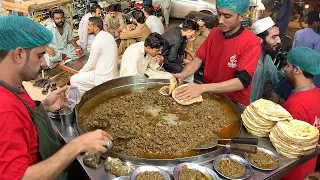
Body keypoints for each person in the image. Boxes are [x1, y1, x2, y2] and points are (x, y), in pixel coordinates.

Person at [0, 16, 112, 180]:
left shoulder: (14, 84)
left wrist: (44, 106)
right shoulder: (5, 110)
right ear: (18, 54)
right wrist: (78, 144)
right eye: (39, 55)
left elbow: (24, 123)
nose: (44, 63)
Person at [174, 0, 261, 106]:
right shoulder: (215, 33)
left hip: (233, 102)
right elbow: (198, 59)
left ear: (241, 17)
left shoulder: (251, 42)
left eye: (227, 16)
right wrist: (182, 75)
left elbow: (242, 81)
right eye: (219, 14)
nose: (220, 20)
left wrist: (202, 87)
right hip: (210, 95)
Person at [279, 47, 320, 180]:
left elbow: (285, 147)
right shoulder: (317, 94)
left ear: (297, 70)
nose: (285, 69)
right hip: (308, 167)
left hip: (290, 172)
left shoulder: (295, 105)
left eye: (288, 65)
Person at [270, 12, 320, 104]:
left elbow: (293, 49)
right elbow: (316, 59)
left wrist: (290, 63)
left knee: (278, 91)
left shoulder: (298, 33)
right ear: (315, 23)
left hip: (292, 66)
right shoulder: (317, 38)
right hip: (304, 72)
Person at [70, 17, 119, 96]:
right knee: (85, 76)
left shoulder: (97, 42)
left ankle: (80, 100)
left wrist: (80, 73)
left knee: (74, 79)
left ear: (95, 28)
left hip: (103, 78)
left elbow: (91, 64)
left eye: (89, 25)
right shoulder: (108, 35)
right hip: (112, 73)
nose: (88, 27)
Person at [250, 17, 284, 102]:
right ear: (259, 40)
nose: (279, 40)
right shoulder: (249, 62)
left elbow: (276, 79)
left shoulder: (267, 59)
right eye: (274, 37)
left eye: (278, 36)